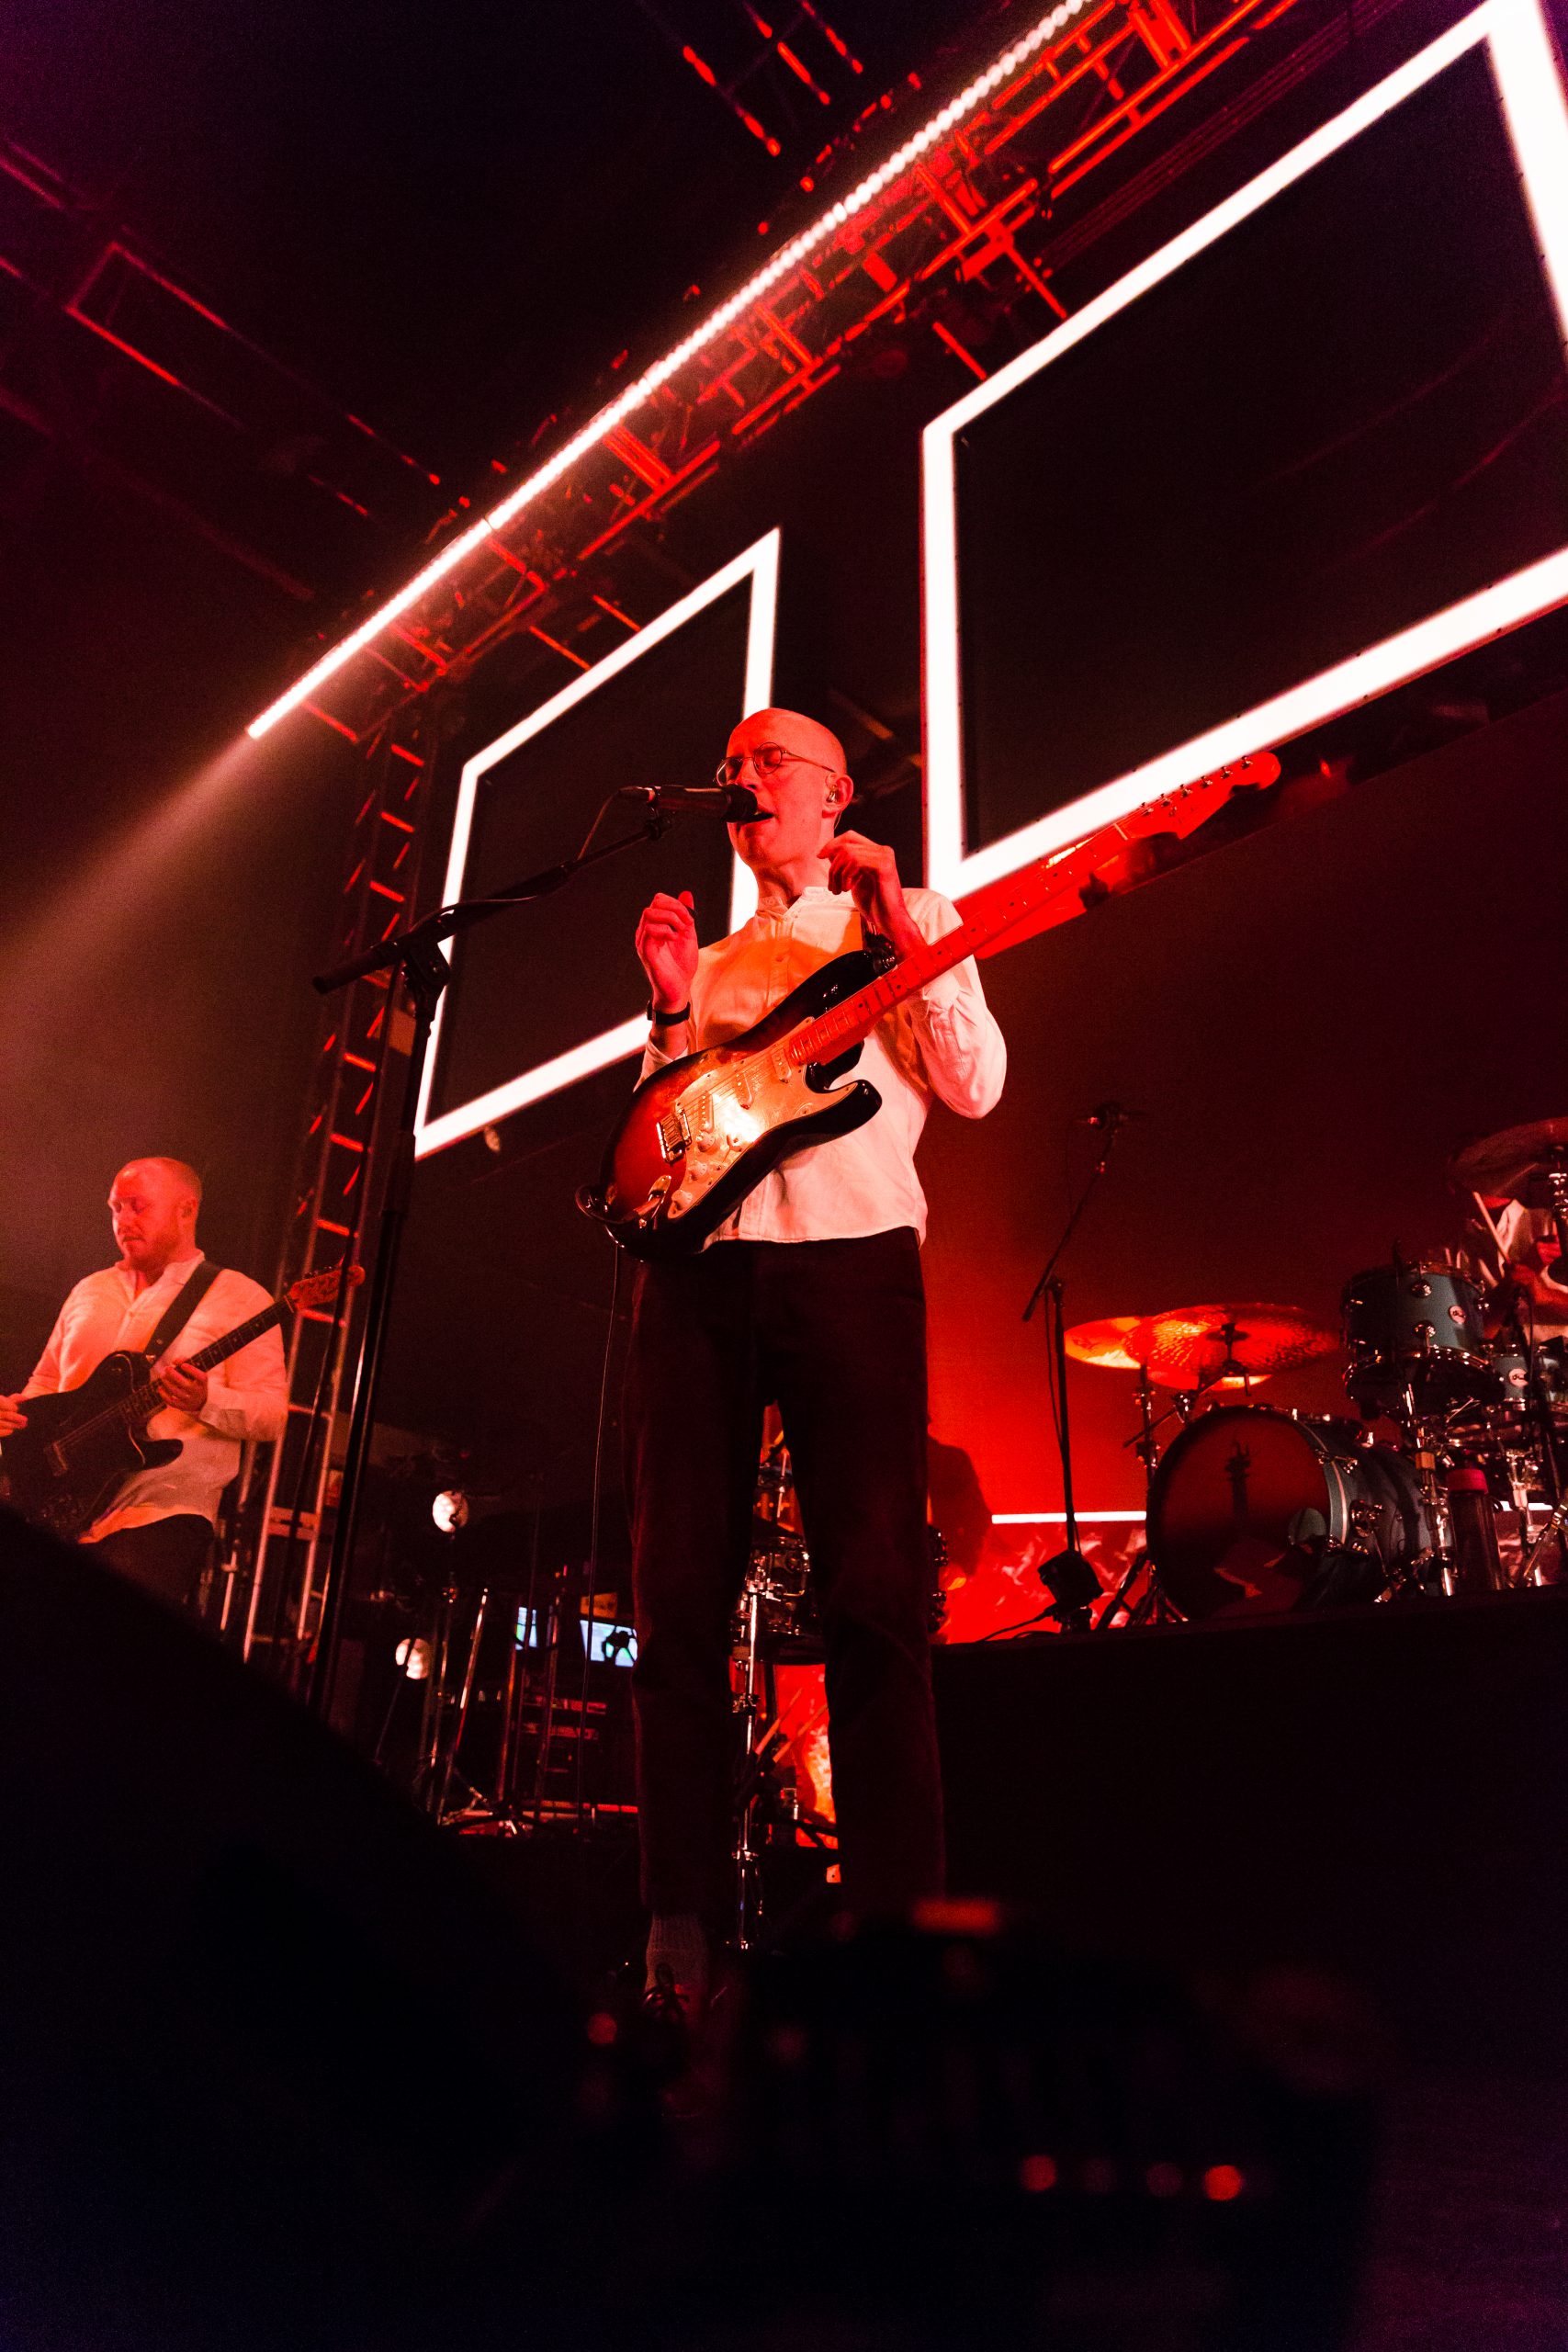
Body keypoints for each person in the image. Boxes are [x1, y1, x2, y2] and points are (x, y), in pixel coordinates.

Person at [625, 707, 1006, 2011]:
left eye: (764, 762)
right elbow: (667, 1146)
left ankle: (899, 1937)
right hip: (702, 1278)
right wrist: (673, 1014)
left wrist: (901, 911)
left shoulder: (902, 916)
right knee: (674, 1593)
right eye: (728, 765)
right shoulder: (717, 957)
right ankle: (673, 1926)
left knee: (874, 1595)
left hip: (850, 1258)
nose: (738, 781)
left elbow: (973, 1086)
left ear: (834, 796)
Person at [0, 1158, 288, 1609]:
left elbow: (272, 1416)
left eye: (138, 1207)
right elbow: (47, 1384)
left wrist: (205, 1400)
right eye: (116, 1209)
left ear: (186, 1211)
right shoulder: (88, 1290)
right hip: (62, 1506)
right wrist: (17, 1417)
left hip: (162, 1510)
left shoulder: (241, 1298)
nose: (123, 1222)